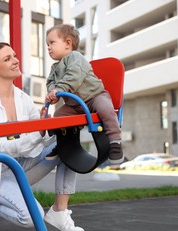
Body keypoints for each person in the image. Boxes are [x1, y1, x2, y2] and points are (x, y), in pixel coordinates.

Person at [0, 42, 84, 231]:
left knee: (67, 141)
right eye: (7, 59)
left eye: (14, 56)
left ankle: (59, 211)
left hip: (22, 165)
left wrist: (48, 129)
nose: (15, 61)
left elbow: (37, 139)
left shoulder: (23, 98)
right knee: (31, 219)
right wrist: (38, 133)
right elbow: (0, 149)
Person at [44, 24, 124, 164]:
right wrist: (52, 92)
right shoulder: (55, 67)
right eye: (47, 44)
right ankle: (64, 144)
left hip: (94, 97)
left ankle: (115, 142)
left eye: (52, 43)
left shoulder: (75, 57)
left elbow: (74, 76)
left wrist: (59, 89)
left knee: (105, 107)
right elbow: (50, 82)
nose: (48, 47)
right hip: (75, 105)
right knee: (59, 116)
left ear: (68, 43)